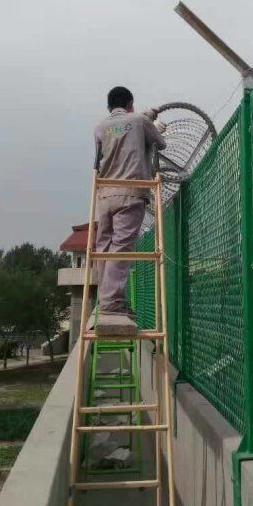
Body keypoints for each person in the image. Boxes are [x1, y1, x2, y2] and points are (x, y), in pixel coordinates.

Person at [89, 85, 166, 334]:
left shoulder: (100, 127)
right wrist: (154, 125)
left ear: (109, 106)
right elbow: (160, 143)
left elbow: (120, 133)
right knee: (121, 246)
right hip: (131, 192)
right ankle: (112, 303)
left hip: (104, 195)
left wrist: (144, 118)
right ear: (130, 103)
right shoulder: (140, 121)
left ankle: (106, 299)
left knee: (104, 247)